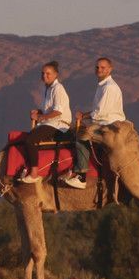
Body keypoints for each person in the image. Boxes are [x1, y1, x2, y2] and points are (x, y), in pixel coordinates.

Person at [62, 56, 125, 189]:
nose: (99, 70)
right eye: (97, 67)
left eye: (103, 67)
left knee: (81, 138)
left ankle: (81, 177)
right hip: (103, 123)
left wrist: (83, 116)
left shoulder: (109, 87)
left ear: (110, 69)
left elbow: (100, 112)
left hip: (108, 126)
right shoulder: (102, 86)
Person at [15, 62, 78, 186]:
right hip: (49, 123)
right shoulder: (47, 89)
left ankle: (34, 173)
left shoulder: (58, 89)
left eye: (48, 73)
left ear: (55, 75)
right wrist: (39, 112)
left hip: (58, 125)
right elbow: (49, 109)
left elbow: (57, 111)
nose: (45, 76)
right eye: (43, 73)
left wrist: (40, 117)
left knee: (30, 140)